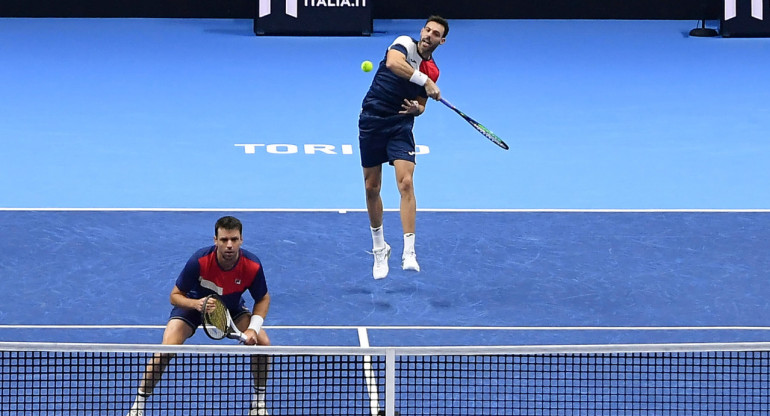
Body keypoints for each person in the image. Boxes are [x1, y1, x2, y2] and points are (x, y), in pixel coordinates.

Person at [127, 216, 271, 416]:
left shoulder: (252, 265)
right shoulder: (199, 260)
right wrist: (197, 304)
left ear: (241, 240)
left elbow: (263, 298)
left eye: (234, 239)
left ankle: (258, 404)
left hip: (230, 308)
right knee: (165, 351)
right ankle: (138, 406)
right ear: (215, 240)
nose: (229, 245)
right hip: (193, 306)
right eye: (224, 240)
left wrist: (253, 329)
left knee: (263, 344)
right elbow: (174, 296)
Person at [358, 15, 449, 279]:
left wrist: (417, 108)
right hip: (372, 118)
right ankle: (379, 249)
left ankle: (409, 251)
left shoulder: (433, 70)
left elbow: (421, 106)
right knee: (371, 187)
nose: (428, 35)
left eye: (435, 34)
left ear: (441, 41)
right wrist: (426, 82)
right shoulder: (403, 45)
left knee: (406, 183)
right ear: (421, 31)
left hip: (400, 124)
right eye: (427, 30)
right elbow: (393, 64)